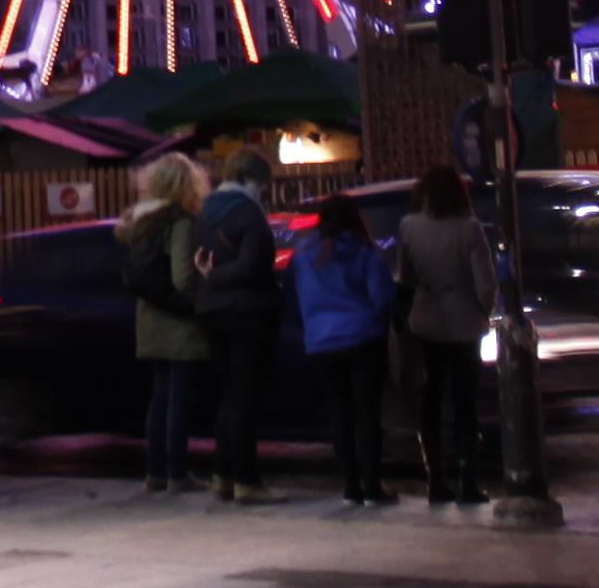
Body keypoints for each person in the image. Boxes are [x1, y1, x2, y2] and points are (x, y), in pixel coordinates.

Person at [391, 161, 499, 509]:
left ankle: (436, 479)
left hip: (427, 320)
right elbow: (486, 283)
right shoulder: (470, 228)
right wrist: (483, 311)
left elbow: (404, 277)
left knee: (431, 401)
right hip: (465, 322)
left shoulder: (408, 226)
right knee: (466, 404)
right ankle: (469, 481)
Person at [189, 148, 290, 503]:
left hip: (210, 311)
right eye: (262, 184)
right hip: (247, 312)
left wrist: (209, 278)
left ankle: (222, 475)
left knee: (229, 394)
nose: (263, 192)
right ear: (252, 180)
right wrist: (218, 275)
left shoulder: (204, 211)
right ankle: (247, 480)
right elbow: (253, 266)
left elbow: (196, 262)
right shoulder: (249, 212)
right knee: (245, 396)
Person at [295, 189, 397, 507]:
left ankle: (350, 485)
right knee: (367, 415)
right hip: (363, 339)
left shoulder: (303, 255)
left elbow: (296, 298)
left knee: (339, 413)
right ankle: (372, 484)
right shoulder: (365, 253)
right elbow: (383, 299)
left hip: (321, 343)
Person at [120, 150, 206, 494]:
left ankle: (155, 472)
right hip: (179, 323)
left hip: (149, 321)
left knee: (159, 398)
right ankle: (178, 473)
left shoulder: (139, 224)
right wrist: (199, 303)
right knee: (179, 399)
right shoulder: (178, 222)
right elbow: (183, 277)